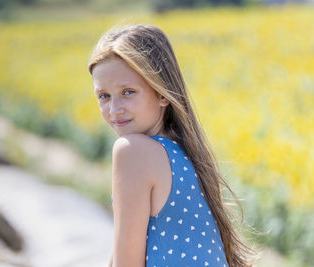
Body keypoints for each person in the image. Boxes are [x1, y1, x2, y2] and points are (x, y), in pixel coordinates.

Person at [87, 24, 257, 267]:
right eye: (104, 96)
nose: (114, 110)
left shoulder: (132, 151)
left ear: (162, 93)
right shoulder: (184, 155)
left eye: (128, 92)